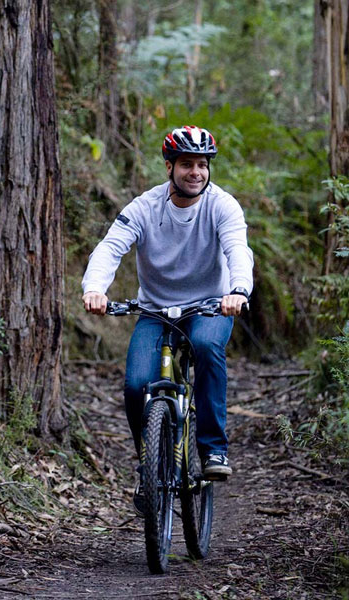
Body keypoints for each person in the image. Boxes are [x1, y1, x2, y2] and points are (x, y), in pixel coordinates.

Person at [81, 126, 253, 512]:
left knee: (208, 347)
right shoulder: (145, 207)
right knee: (136, 385)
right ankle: (149, 466)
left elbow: (238, 249)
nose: (196, 172)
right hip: (156, 311)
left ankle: (213, 450)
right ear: (169, 167)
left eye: (202, 165)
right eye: (187, 164)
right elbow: (110, 247)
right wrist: (94, 288)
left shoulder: (223, 206)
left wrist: (238, 291)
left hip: (210, 305)